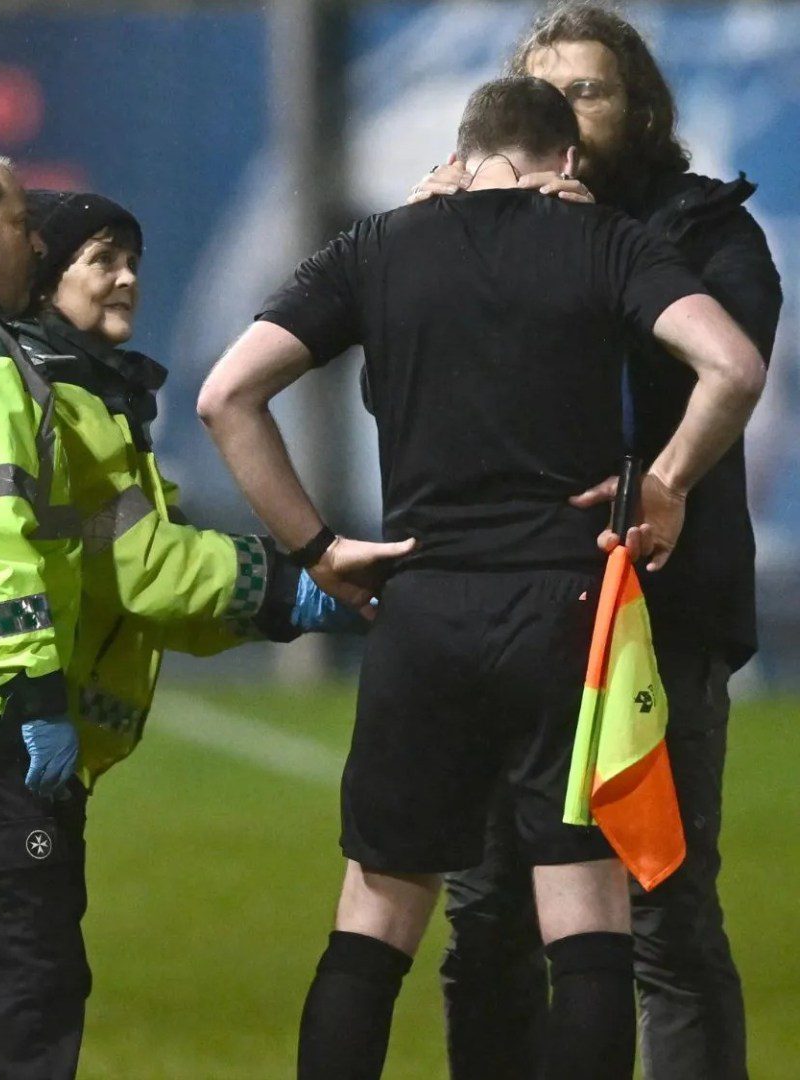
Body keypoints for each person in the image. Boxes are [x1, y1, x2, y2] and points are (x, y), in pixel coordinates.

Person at [198, 76, 764, 1079]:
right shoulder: (608, 243)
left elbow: (227, 395)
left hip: (424, 609)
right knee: (584, 919)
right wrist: (668, 483)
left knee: (374, 923)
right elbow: (732, 364)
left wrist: (318, 548)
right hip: (569, 611)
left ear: (461, 156)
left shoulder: (375, 248)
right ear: (569, 161)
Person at [408, 6, 783, 1076]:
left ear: (642, 111)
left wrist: (590, 252)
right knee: (488, 913)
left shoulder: (710, 233)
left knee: (664, 906)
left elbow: (727, 367)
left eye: (591, 90)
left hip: (656, 611)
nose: (566, 112)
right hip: (504, 611)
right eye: (548, 89)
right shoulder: (458, 232)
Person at [12, 190, 377, 785]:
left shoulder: (93, 396)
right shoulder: (58, 402)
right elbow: (145, 570)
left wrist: (281, 610)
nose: (127, 277)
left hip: (46, 746)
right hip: (17, 745)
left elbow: (152, 601)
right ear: (48, 280)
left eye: (133, 262)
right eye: (103, 260)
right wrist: (297, 583)